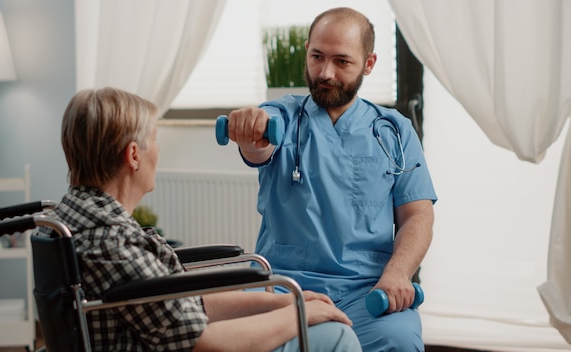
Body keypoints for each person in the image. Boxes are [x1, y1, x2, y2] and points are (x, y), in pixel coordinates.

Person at [37, 87, 362, 352]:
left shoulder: (76, 219)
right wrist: (299, 315)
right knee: (337, 337)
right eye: (155, 139)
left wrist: (283, 302)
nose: (158, 151)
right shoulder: (110, 241)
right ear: (134, 155)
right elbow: (203, 341)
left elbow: (183, 302)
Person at [226, 7, 437, 352]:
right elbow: (259, 146)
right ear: (307, 50)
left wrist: (398, 275)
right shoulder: (282, 116)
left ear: (369, 64)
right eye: (317, 57)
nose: (325, 72)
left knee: (399, 341)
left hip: (367, 291)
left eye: (342, 61)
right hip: (284, 287)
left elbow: (417, 215)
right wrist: (251, 130)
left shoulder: (395, 131)